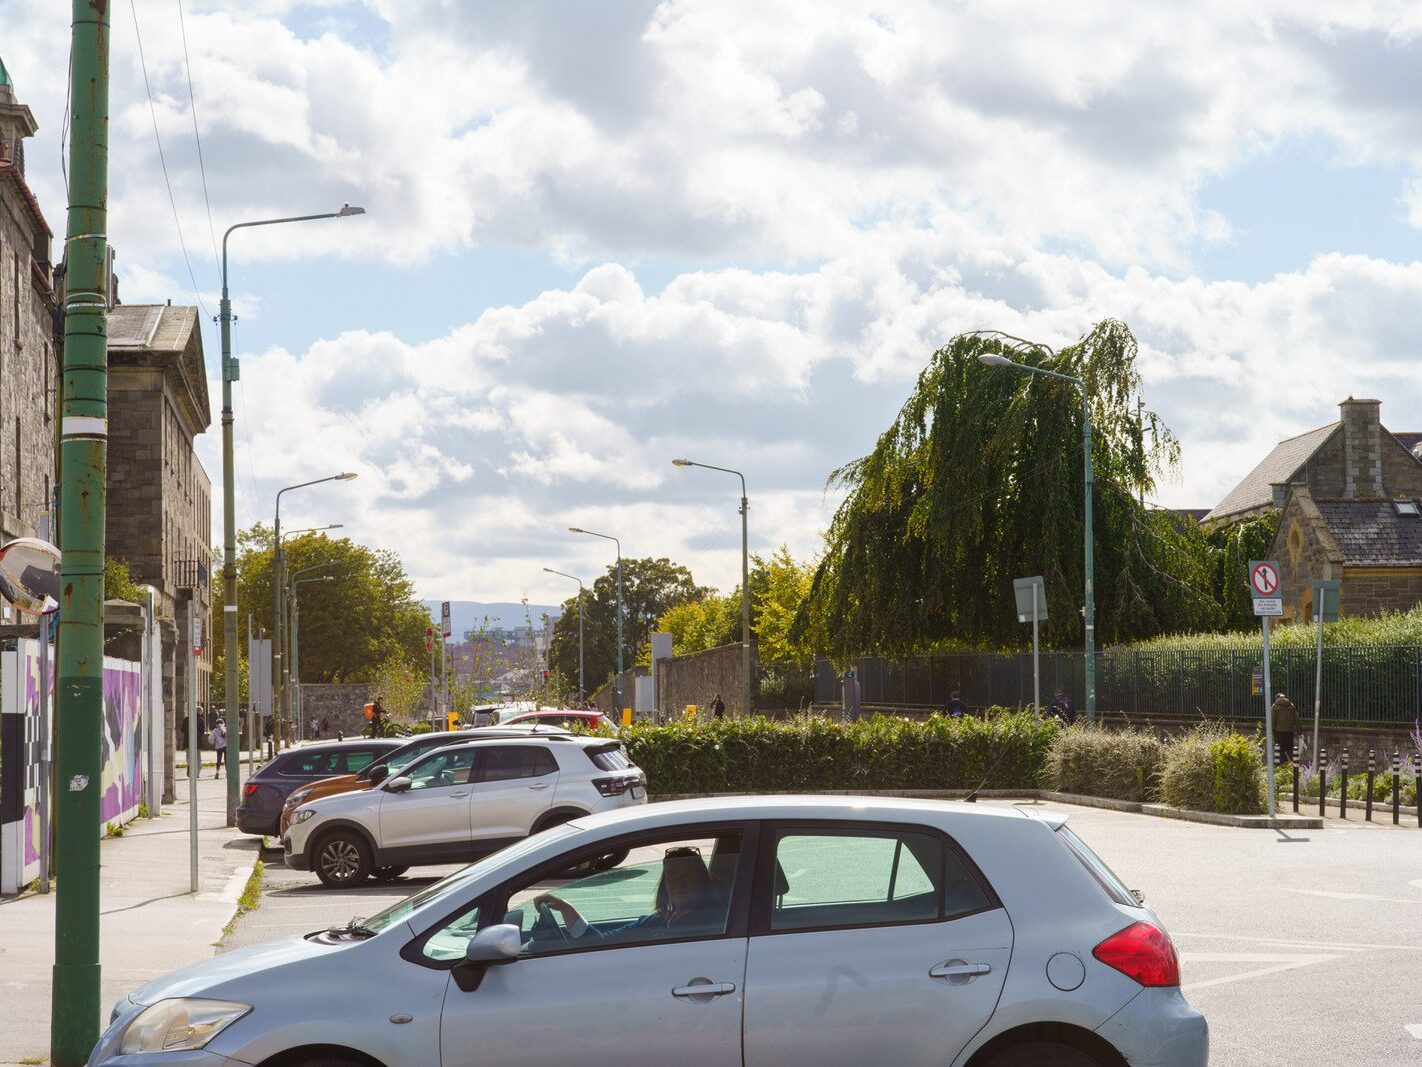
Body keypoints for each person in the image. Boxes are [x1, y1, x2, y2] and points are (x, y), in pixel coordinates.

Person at [533, 846, 722, 942]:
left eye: (687, 875)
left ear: (702, 881)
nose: (678, 883)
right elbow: (603, 944)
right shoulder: (662, 918)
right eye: (672, 875)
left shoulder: (706, 926)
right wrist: (567, 909)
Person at [1271, 692, 1300, 764]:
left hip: (1278, 732)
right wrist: (1300, 732)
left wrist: (1272, 730)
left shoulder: (1275, 706)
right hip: (1289, 732)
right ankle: (1290, 766)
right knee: (1289, 749)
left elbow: (1272, 720)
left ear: (1276, 699)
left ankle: (1280, 767)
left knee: (1279, 750)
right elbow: (1297, 720)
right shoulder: (1291, 706)